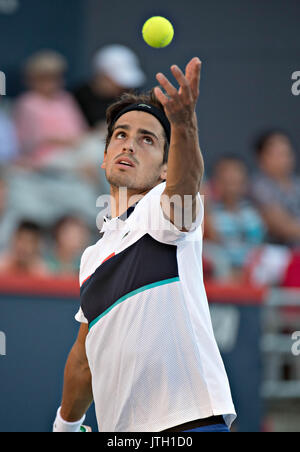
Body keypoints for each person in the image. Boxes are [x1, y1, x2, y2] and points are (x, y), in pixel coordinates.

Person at [53, 58, 236, 433]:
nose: (129, 145)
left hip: (189, 424)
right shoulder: (92, 258)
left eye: (147, 139)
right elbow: (84, 360)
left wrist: (184, 125)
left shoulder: (164, 209)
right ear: (104, 157)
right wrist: (65, 427)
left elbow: (186, 181)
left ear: (166, 167)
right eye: (120, 135)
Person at [14, 50, 87, 169]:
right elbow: (29, 142)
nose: (50, 83)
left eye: (55, 77)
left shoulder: (65, 98)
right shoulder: (27, 103)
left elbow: (80, 130)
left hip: (74, 151)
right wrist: (61, 141)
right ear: (32, 80)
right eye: (44, 78)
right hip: (43, 158)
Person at [203, 155, 266, 283]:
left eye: (236, 180)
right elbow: (213, 240)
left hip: (251, 269)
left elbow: (258, 243)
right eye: (226, 180)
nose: (232, 184)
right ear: (216, 183)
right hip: (224, 269)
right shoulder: (209, 212)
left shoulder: (253, 211)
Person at [73, 45, 146, 130]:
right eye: (117, 81)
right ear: (102, 76)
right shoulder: (78, 96)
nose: (122, 87)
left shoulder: (133, 95)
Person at [251, 130, 300, 246]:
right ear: (261, 157)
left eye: (287, 153)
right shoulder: (259, 187)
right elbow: (283, 227)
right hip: (279, 252)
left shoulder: (297, 183)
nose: (285, 159)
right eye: (278, 154)